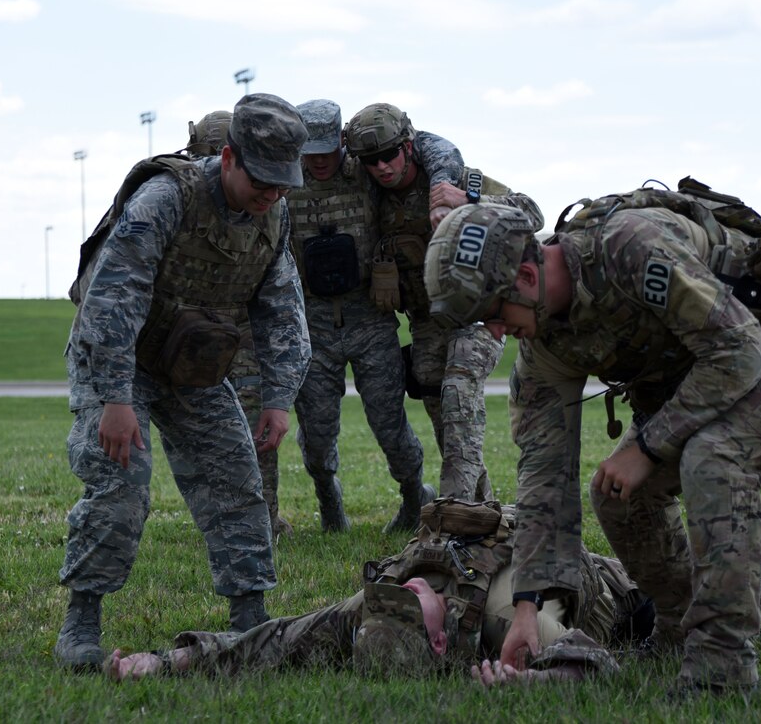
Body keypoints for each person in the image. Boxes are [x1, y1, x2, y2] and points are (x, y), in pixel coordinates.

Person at [423, 194, 761, 696]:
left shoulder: (630, 248)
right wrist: (528, 607)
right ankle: (677, 627)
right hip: (715, 368)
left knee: (714, 457)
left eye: (494, 312)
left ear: (526, 278)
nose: (496, 331)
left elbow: (741, 349)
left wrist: (649, 447)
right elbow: (544, 478)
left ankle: (721, 667)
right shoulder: (545, 344)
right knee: (616, 492)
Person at [104, 498, 761, 683]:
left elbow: (270, 634)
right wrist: (532, 681)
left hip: (607, 571)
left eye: (412, 591)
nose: (414, 591)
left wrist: (157, 660)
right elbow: (597, 666)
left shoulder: (396, 593)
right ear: (435, 643)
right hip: (627, 611)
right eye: (416, 605)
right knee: (740, 604)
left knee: (751, 592)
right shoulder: (440, 628)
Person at [55, 93, 311, 671]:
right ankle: (82, 620)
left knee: (236, 478)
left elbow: (281, 307)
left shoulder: (275, 213)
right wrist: (116, 398)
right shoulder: (166, 199)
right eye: (261, 180)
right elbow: (111, 301)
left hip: (193, 363)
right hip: (118, 358)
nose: (270, 194)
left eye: (281, 184)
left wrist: (278, 398)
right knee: (121, 484)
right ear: (228, 159)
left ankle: (250, 618)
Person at [343, 103, 545, 503]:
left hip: (481, 311)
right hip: (427, 319)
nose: (382, 166)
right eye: (371, 160)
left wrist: (469, 200)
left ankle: (455, 509)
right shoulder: (373, 200)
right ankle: (481, 505)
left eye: (389, 154)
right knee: (444, 413)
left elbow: (532, 213)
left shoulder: (456, 180)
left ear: (408, 146)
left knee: (457, 390)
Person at [286, 99, 464, 533]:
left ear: (342, 144)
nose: (321, 161)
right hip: (313, 326)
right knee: (317, 433)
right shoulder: (284, 183)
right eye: (312, 152)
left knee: (390, 425)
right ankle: (329, 501)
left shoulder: (364, 171)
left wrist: (442, 182)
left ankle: (410, 497)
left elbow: (427, 147)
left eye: (330, 150)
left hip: (370, 319)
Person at [185, 109, 291, 538]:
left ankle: (261, 520)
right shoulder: (179, 199)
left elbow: (280, 290)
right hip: (192, 333)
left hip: (243, 332)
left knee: (255, 429)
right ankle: (228, 518)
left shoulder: (268, 204)